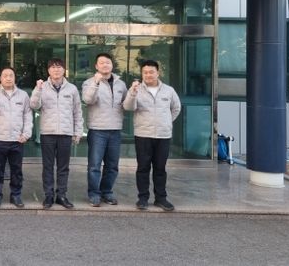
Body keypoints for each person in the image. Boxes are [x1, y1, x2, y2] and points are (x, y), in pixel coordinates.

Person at [123, 59, 181, 211]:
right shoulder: (136, 89)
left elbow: (176, 108)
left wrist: (166, 122)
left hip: (163, 135)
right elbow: (128, 107)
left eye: (151, 72)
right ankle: (142, 198)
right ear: (142, 74)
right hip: (143, 134)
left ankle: (161, 198)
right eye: (145, 72)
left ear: (158, 73)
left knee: (160, 168)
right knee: (143, 168)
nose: (148, 75)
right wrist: (132, 92)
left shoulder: (169, 90)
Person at [30, 58, 82, 210]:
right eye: (53, 67)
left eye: (59, 67)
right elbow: (34, 105)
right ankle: (48, 195)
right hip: (48, 133)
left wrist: (78, 131)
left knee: (63, 167)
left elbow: (77, 112)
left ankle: (61, 195)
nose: (56, 70)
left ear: (64, 70)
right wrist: (38, 89)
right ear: (48, 70)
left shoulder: (72, 89)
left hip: (66, 133)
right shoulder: (42, 87)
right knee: (48, 166)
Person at [81, 53, 128, 207]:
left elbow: (127, 104)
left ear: (112, 65)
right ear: (96, 66)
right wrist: (96, 82)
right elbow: (88, 100)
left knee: (112, 165)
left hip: (115, 129)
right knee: (94, 165)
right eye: (101, 63)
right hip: (97, 130)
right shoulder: (89, 82)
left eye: (107, 62)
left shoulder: (121, 84)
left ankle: (107, 192)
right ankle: (94, 194)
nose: (105, 65)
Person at [0, 67, 33, 209]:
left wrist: (26, 133)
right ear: (0, 78)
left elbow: (28, 116)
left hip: (17, 139)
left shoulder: (23, 95)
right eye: (5, 75)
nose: (8, 78)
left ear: (15, 78)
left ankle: (16, 195)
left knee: (17, 170)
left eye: (11, 75)